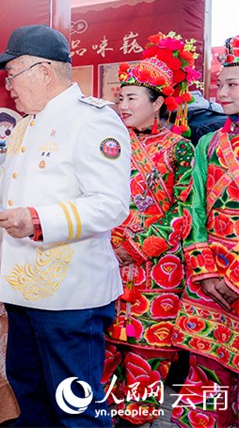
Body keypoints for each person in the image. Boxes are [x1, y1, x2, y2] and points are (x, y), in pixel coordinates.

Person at [0, 24, 130, 426]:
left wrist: (38, 220)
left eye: (13, 74)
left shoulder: (91, 120)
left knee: (75, 407)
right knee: (31, 390)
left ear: (44, 71)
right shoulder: (28, 124)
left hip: (70, 296)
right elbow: (14, 194)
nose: (8, 86)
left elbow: (110, 204)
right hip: (25, 289)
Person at [102, 39, 196, 424]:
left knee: (148, 358)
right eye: (120, 97)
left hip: (157, 268)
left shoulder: (180, 149)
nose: (123, 106)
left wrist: (137, 247)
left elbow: (185, 210)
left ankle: (135, 420)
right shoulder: (107, 145)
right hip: (106, 259)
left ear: (158, 102)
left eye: (132, 98)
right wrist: (109, 245)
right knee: (102, 352)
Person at [171, 34, 239, 428]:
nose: (222, 91)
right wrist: (207, 269)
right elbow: (193, 206)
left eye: (233, 84)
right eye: (220, 83)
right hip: (209, 277)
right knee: (207, 377)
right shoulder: (209, 143)